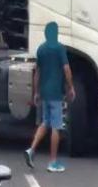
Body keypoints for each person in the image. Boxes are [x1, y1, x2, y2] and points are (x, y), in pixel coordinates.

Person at [24, 22, 75, 173]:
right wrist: (71, 87)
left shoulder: (41, 49)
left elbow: (37, 72)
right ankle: (52, 162)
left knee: (45, 122)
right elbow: (66, 69)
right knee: (56, 126)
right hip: (56, 94)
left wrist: (36, 92)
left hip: (45, 92)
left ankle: (31, 150)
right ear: (56, 33)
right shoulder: (59, 48)